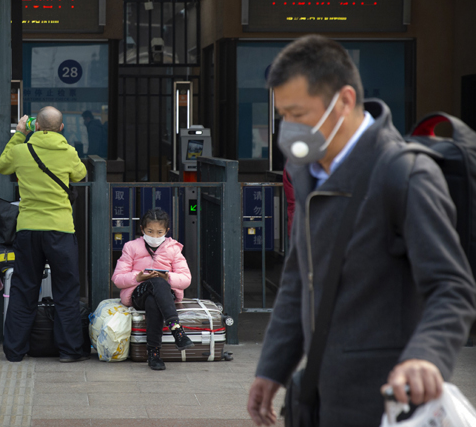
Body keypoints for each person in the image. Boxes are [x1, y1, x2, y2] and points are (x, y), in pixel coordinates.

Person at [246, 35, 476, 426]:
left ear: (345, 101)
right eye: (283, 114)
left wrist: (425, 356)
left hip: (386, 403)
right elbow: (298, 280)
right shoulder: (308, 172)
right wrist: (272, 368)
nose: (289, 128)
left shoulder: (404, 174)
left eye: (299, 113)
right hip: (321, 398)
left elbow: (452, 287)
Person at [0, 107, 88, 363]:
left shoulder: (21, 150)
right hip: (60, 230)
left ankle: (14, 351)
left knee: (24, 288)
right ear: (61, 128)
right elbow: (80, 174)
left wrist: (19, 134)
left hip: (28, 229)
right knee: (66, 291)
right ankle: (69, 351)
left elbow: (2, 166)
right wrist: (61, 144)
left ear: (35, 126)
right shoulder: (67, 151)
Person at [111, 208, 193, 370]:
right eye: (150, 231)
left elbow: (186, 279)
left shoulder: (173, 249)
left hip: (162, 296)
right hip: (138, 293)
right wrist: (138, 277)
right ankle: (177, 330)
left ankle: (154, 354)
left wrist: (167, 277)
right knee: (155, 284)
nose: (154, 236)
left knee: (154, 297)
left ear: (166, 231)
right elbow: (117, 279)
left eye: (159, 232)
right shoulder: (131, 247)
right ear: (142, 230)